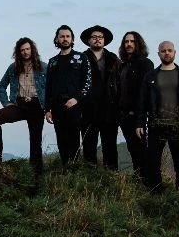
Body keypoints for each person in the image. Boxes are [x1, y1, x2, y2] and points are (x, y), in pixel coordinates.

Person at [137, 40, 179, 191]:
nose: (166, 53)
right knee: (153, 162)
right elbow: (143, 102)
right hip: (156, 125)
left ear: (174, 52)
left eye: (169, 50)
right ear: (158, 53)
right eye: (163, 51)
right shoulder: (150, 76)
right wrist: (140, 123)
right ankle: (156, 193)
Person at [0, 37, 47, 171]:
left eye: (27, 49)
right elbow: (1, 86)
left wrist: (48, 108)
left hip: (37, 106)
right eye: (22, 50)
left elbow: (51, 88)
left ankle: (36, 174)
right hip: (18, 105)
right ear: (18, 52)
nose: (25, 52)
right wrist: (6, 103)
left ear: (32, 49)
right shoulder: (13, 67)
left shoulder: (43, 67)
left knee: (35, 142)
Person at [44, 25, 92, 170]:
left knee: (74, 141)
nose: (64, 39)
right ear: (57, 39)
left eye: (67, 36)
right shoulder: (52, 62)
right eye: (61, 36)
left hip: (75, 106)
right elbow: (48, 87)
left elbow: (88, 82)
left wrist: (76, 99)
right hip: (57, 107)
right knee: (61, 140)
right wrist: (47, 109)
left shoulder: (81, 58)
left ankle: (75, 171)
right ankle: (65, 171)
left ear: (72, 39)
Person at [79, 25, 121, 169]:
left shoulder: (113, 59)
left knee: (109, 146)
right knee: (89, 145)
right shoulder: (81, 58)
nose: (97, 40)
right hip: (88, 109)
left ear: (104, 40)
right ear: (89, 40)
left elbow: (119, 83)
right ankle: (90, 178)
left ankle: (112, 176)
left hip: (110, 108)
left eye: (100, 37)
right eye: (94, 37)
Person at [117, 31, 153, 181]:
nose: (129, 44)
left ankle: (147, 181)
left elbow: (146, 93)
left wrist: (140, 118)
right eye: (126, 42)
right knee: (132, 149)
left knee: (140, 150)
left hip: (138, 116)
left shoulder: (145, 63)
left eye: (132, 41)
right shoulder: (124, 65)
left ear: (138, 44)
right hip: (124, 116)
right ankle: (139, 178)